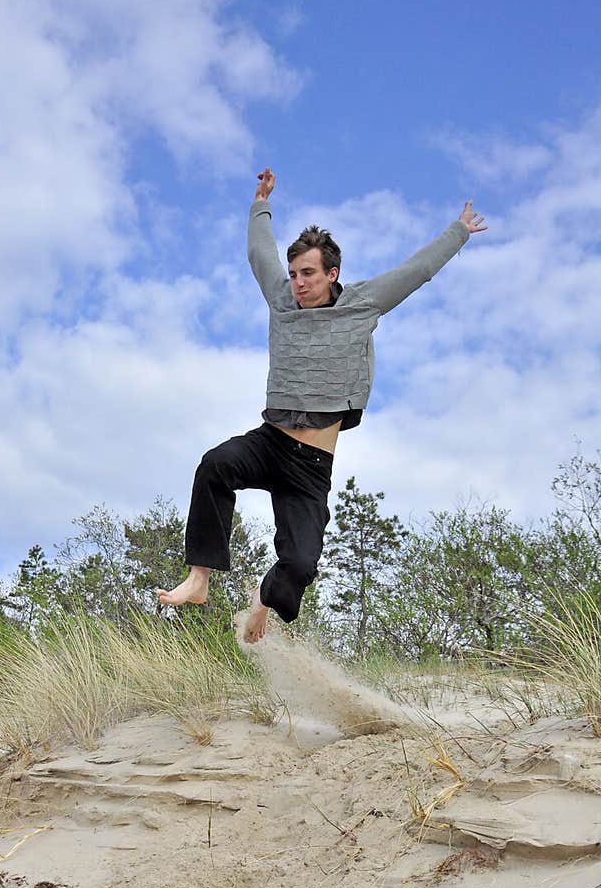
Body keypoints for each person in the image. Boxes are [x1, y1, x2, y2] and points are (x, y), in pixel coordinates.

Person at [157, 167, 487, 640]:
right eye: (294, 274)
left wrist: (458, 232)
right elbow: (258, 254)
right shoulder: (282, 300)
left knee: (299, 567)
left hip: (311, 466)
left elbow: (416, 271)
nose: (298, 283)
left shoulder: (363, 303)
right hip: (271, 441)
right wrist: (260, 205)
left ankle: (264, 600)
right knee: (215, 465)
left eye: (308, 273)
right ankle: (199, 579)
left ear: (332, 273)